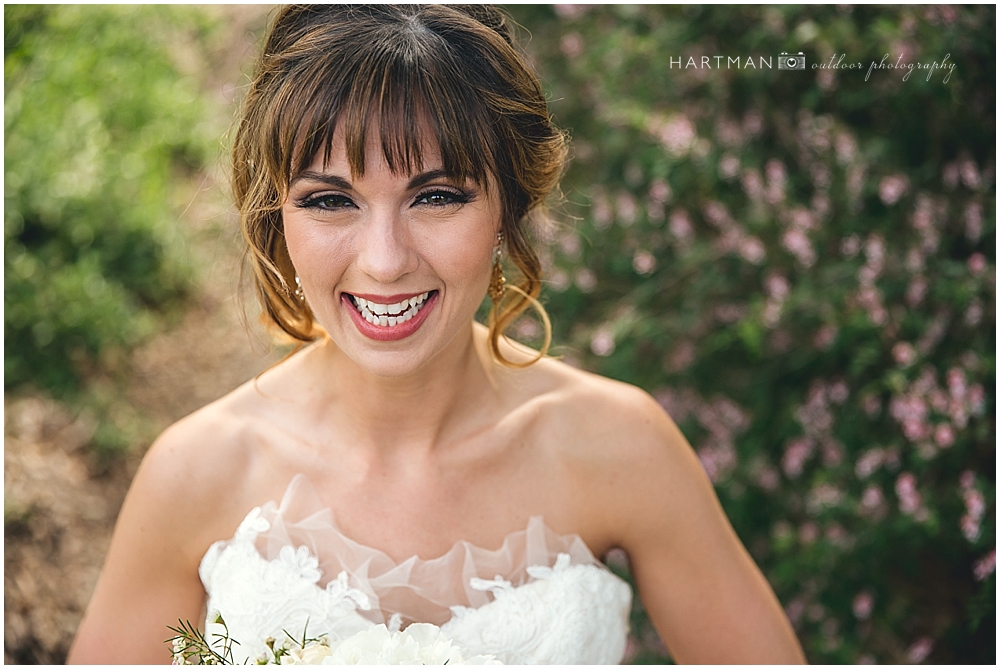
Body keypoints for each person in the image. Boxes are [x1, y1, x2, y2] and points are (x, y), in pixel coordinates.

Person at [68, 5, 805, 664]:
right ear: (277, 221)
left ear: (507, 210)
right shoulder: (196, 472)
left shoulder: (620, 447)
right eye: (330, 200)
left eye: (437, 195)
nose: (385, 261)